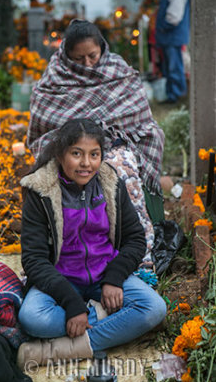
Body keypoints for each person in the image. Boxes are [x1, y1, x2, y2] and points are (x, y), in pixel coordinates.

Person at [17, 118, 166, 367]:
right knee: (32, 319)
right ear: (61, 154)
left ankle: (68, 349)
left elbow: (135, 239)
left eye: (94, 154)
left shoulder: (111, 184)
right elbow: (33, 259)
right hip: (60, 282)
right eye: (77, 154)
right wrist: (72, 303)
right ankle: (108, 320)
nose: (86, 163)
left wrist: (114, 278)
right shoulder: (40, 191)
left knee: (154, 308)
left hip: (104, 277)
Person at [27, 19, 166, 259]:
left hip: (114, 142)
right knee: (61, 173)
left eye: (92, 55)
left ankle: (132, 252)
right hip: (69, 144)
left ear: (102, 47)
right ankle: (72, 252)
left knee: (118, 170)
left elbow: (138, 116)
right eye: (78, 59)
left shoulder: (118, 70)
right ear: (66, 55)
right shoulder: (54, 77)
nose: (88, 64)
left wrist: (104, 136)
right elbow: (46, 123)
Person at [156, 0, 190, 103]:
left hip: (173, 37)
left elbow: (174, 17)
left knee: (174, 68)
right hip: (168, 38)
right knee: (170, 68)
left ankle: (178, 95)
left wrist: (162, 27)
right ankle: (171, 95)